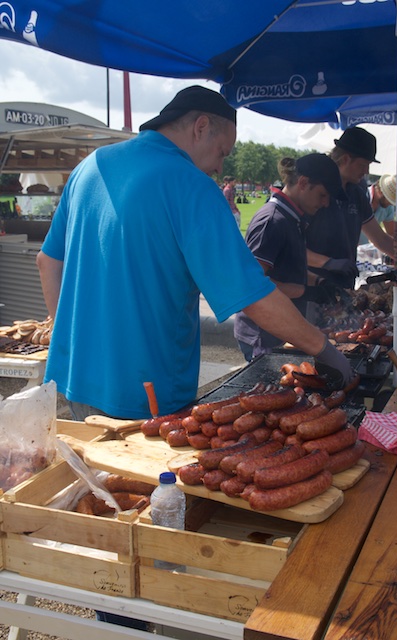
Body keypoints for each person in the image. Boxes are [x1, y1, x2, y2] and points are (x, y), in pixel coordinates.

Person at [37, 84, 353, 425]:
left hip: (75, 381)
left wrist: (70, 340)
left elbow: (48, 262)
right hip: (147, 394)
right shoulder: (192, 185)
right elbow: (252, 294)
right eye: (222, 152)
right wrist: (322, 348)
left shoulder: (89, 167)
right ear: (200, 127)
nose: (219, 167)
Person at [234, 153, 343, 362]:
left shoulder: (291, 218)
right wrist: (306, 291)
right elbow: (252, 284)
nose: (326, 203)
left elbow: (290, 265)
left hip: (281, 330)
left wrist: (319, 282)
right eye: (322, 195)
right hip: (262, 334)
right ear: (303, 183)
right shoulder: (272, 221)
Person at [305, 127, 397, 288]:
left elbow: (380, 239)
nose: (367, 171)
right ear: (346, 159)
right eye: (363, 165)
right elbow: (293, 247)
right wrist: (328, 263)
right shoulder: (315, 191)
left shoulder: (356, 194)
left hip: (344, 285)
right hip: (311, 286)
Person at [359, 174, 396, 245]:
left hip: (364, 248)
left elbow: (391, 233)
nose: (391, 203)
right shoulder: (362, 197)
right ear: (380, 192)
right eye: (389, 199)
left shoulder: (388, 206)